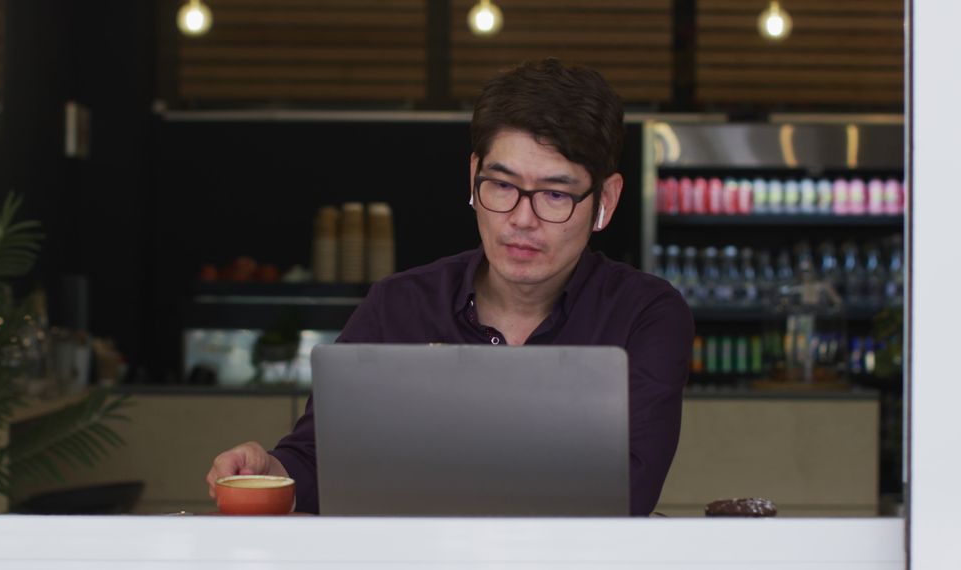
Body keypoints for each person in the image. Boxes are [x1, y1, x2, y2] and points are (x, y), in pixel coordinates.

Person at [206, 58, 694, 516]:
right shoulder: (397, 306)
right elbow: (320, 460)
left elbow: (629, 491)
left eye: (554, 194)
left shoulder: (645, 315)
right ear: (473, 176)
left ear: (605, 198)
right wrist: (274, 473)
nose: (522, 220)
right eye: (501, 185)